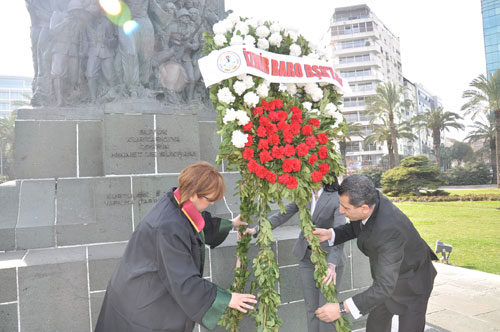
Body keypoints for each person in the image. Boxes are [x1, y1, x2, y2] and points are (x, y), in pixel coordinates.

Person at [95, 161, 257, 332]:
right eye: (210, 199)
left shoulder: (177, 200)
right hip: (141, 305)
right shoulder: (168, 226)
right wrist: (227, 299)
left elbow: (195, 224)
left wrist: (232, 224)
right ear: (194, 193)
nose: (211, 204)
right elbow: (184, 280)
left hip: (139, 291)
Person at [312, 175, 438, 332]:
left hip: (412, 283)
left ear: (364, 207)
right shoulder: (370, 200)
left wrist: (341, 309)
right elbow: (359, 225)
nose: (340, 210)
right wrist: (331, 234)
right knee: (375, 327)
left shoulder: (389, 230)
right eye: (341, 205)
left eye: (346, 208)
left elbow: (385, 287)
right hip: (386, 280)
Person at [246, 175, 347, 332]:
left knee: (326, 310)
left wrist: (332, 264)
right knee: (312, 308)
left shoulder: (336, 198)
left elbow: (340, 232)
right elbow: (283, 214)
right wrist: (256, 229)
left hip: (328, 261)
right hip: (306, 258)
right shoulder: (303, 194)